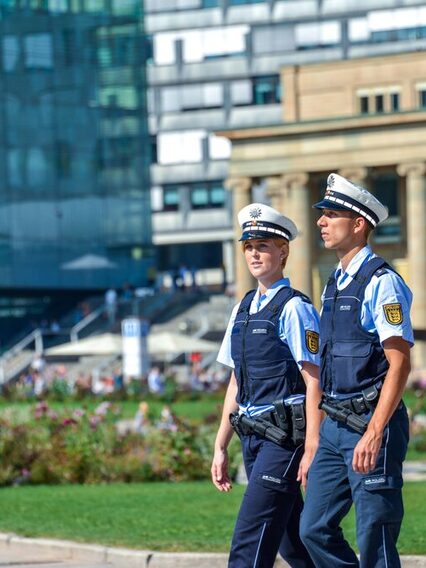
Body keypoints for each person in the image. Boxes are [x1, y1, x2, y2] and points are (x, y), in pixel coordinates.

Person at [300, 173, 414, 568]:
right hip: (334, 425)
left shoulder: (382, 283)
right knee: (312, 528)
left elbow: (400, 362)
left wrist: (375, 431)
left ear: (358, 223)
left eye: (331, 214)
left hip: (370, 423)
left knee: (374, 536)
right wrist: (315, 439)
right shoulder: (333, 283)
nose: (321, 221)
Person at [211, 202, 322, 568]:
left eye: (263, 246)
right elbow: (236, 383)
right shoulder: (242, 308)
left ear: (283, 251)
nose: (255, 254)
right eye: (249, 247)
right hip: (253, 438)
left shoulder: (294, 308)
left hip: (284, 439)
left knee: (250, 539)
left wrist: (311, 446)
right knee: (294, 543)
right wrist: (220, 445)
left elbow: (314, 379)